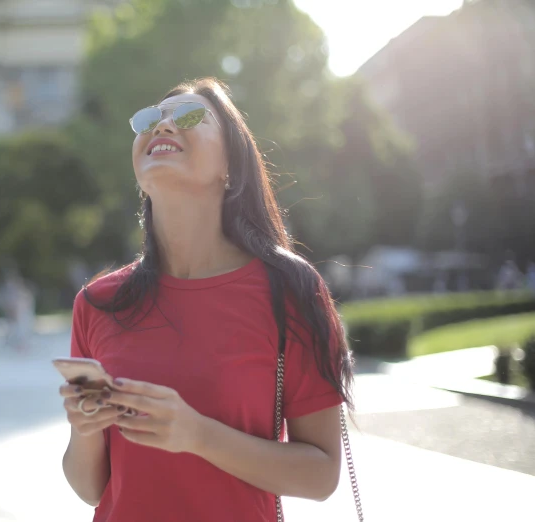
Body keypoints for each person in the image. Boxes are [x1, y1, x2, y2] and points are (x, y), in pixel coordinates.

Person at [58, 78, 355, 522]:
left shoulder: (290, 289)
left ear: (231, 166)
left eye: (190, 117)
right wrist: (84, 431)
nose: (163, 127)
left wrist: (198, 435)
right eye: (151, 120)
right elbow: (89, 488)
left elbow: (322, 474)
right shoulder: (98, 302)